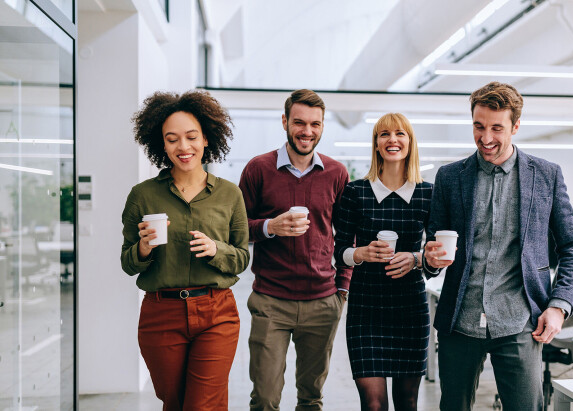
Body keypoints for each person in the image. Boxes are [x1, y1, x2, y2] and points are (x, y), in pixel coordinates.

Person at [423, 82, 573, 411]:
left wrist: (559, 304)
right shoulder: (451, 177)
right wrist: (431, 260)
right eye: (478, 127)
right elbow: (433, 245)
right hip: (460, 320)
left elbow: (572, 244)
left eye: (497, 128)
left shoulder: (546, 175)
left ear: (515, 126)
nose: (486, 138)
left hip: (520, 320)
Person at [121, 90, 250, 411]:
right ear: (161, 144)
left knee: (202, 405)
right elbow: (127, 262)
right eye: (172, 139)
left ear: (206, 138)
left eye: (191, 137)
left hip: (216, 312)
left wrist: (215, 249)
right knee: (174, 402)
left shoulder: (229, 195)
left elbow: (241, 257)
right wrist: (144, 247)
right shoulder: (143, 196)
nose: (183, 147)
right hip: (161, 315)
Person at [238, 89, 351, 410]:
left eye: (315, 124)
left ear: (322, 126)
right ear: (285, 122)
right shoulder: (258, 169)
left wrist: (342, 288)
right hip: (271, 301)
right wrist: (270, 227)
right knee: (265, 398)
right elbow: (235, 228)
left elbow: (346, 236)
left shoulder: (336, 173)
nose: (307, 131)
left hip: (322, 302)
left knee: (311, 398)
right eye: (299, 122)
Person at [333, 113, 432, 411]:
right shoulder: (356, 192)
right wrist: (360, 254)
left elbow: (435, 259)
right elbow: (338, 250)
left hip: (410, 307)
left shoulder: (427, 194)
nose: (392, 140)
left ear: (410, 142)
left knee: (407, 401)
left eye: (400, 134)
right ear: (376, 144)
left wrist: (416, 258)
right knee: (373, 404)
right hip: (366, 307)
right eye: (384, 134)